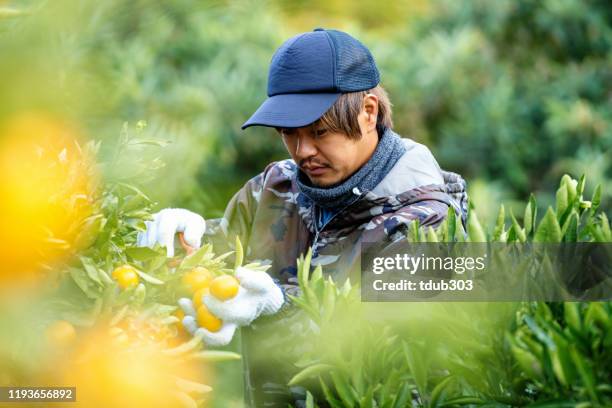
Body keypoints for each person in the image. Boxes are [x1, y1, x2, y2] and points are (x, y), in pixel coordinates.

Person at [138, 28, 468, 406]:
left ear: (368, 113)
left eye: (319, 132)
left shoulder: (427, 220)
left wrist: (277, 308)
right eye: (288, 134)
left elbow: (367, 336)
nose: (302, 151)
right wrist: (183, 237)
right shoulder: (275, 187)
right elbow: (216, 259)